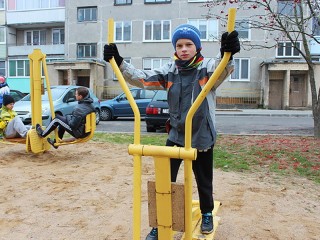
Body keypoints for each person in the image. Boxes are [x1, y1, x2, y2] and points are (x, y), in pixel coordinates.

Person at [104, 24, 240, 239]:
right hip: (176, 135)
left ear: (197, 47)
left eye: (188, 44)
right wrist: (119, 62)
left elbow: (223, 69)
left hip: (201, 135)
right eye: (179, 45)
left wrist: (227, 53)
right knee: (165, 181)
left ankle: (206, 213)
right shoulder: (170, 71)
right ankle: (161, 222)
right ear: (175, 48)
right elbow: (141, 78)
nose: (184, 49)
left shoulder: (206, 68)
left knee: (203, 180)